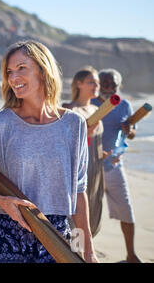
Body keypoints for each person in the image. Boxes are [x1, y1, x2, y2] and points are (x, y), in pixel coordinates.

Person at [0, 40, 98, 263]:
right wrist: (1, 200)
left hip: (56, 233)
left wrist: (88, 251)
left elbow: (79, 190)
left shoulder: (74, 124)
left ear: (42, 69)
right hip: (7, 232)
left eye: (22, 68)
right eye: (10, 72)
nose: (14, 78)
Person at [91, 68, 141, 263]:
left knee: (126, 209)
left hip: (114, 165)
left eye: (114, 85)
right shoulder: (89, 103)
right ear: (98, 84)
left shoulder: (124, 105)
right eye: (105, 84)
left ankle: (131, 254)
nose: (109, 88)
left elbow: (133, 133)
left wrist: (129, 130)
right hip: (90, 168)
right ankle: (81, 253)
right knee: (86, 213)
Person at [63, 66, 106, 237]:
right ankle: (74, 252)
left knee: (94, 211)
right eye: (91, 82)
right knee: (77, 213)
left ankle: (86, 250)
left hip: (97, 166)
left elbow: (96, 141)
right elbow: (64, 142)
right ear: (78, 84)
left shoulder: (97, 110)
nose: (96, 86)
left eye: (97, 83)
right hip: (79, 169)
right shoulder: (69, 110)